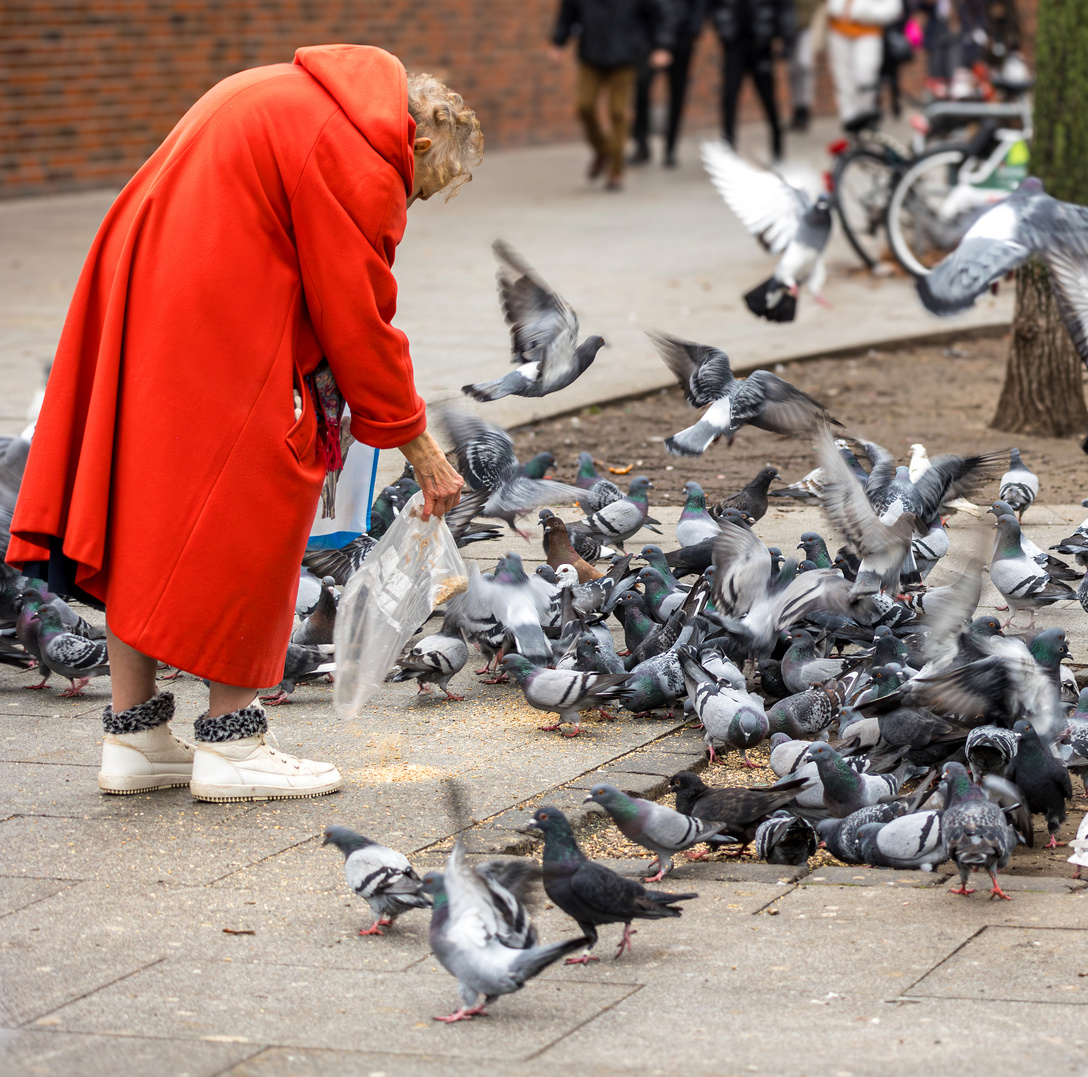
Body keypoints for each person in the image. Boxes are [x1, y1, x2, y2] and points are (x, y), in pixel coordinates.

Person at [7, 45, 478, 802]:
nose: (408, 206)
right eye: (418, 190)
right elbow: (357, 312)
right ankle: (233, 744)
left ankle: (134, 736)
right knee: (252, 505)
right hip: (216, 319)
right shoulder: (360, 148)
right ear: (416, 142)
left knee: (144, 511)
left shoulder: (285, 91)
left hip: (147, 299)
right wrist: (416, 442)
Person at [554, 0, 674, 189]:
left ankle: (615, 172)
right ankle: (604, 151)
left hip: (624, 56)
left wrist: (662, 45)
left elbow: (658, 13)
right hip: (591, 54)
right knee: (585, 106)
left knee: (617, 112)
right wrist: (558, 42)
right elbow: (568, 12)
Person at [713, 0, 794, 161]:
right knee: (729, 95)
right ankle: (728, 146)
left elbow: (784, 7)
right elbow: (715, 7)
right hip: (734, 44)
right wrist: (723, 29)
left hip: (760, 44)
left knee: (768, 98)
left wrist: (782, 36)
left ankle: (778, 146)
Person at [631, 0, 706, 168]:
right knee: (642, 88)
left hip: (682, 37)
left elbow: (699, 6)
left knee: (677, 93)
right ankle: (641, 145)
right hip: (650, 38)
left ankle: (671, 148)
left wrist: (692, 31)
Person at [825, 0, 903, 127]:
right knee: (842, 77)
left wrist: (861, 13)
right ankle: (848, 118)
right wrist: (838, 9)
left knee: (865, 75)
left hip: (869, 31)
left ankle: (865, 117)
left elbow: (893, 9)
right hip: (839, 29)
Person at [787, 0, 825, 132]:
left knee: (804, 65)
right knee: (793, 69)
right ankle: (797, 109)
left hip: (808, 25)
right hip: (790, 26)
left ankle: (804, 110)